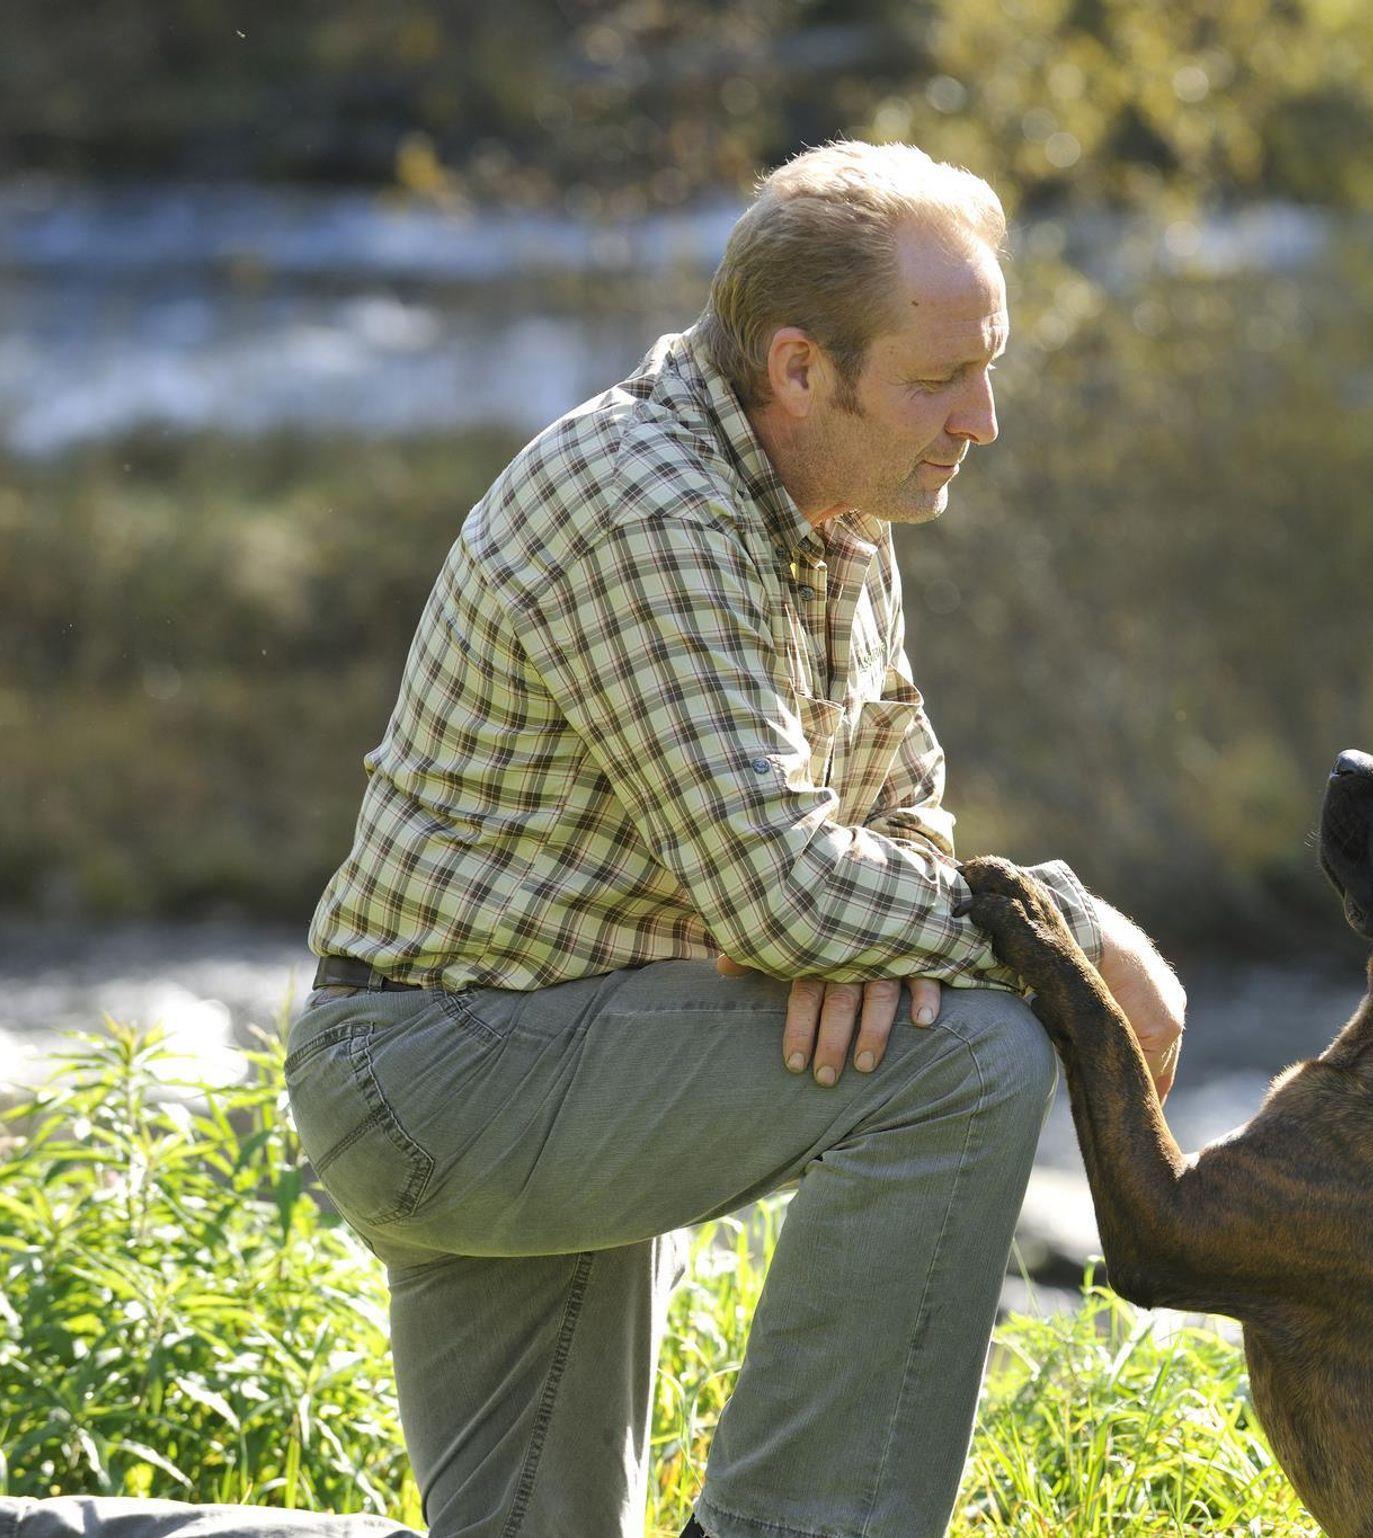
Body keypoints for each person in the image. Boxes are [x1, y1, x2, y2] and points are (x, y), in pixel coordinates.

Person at [0, 142, 1185, 1538]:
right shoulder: (652, 502)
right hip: (458, 1069)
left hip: (546, 1045)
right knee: (971, 1054)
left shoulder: (837, 516)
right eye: (942, 378)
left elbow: (890, 816)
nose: (982, 417)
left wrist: (863, 937)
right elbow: (787, 895)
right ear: (800, 369)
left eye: (988, 368)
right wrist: (1064, 936)